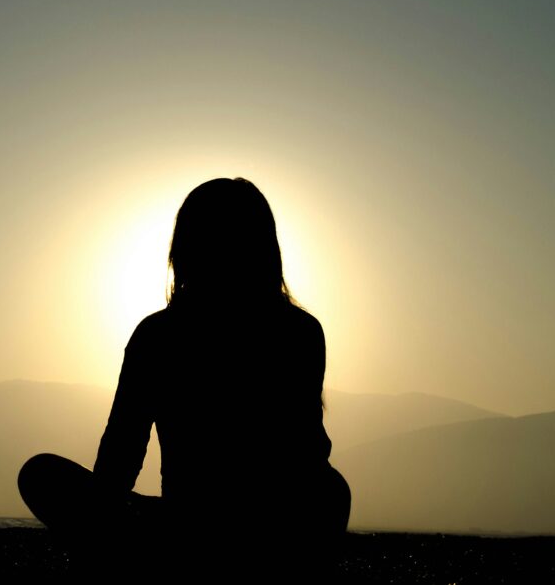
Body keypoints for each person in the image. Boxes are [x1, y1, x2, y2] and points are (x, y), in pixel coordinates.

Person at [18, 177, 350, 581]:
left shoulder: (158, 335)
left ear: (184, 249)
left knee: (41, 475)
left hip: (192, 531)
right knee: (331, 489)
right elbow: (308, 453)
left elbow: (119, 459)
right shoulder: (300, 331)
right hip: (259, 532)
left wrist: (101, 526)